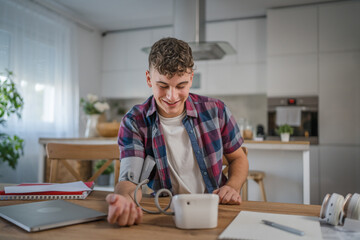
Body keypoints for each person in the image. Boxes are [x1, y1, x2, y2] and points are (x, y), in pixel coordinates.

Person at [106, 37, 249, 227]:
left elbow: (239, 158)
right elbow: (129, 181)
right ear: (149, 79)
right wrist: (124, 200)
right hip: (166, 214)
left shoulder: (216, 111)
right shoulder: (135, 121)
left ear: (191, 79)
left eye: (181, 86)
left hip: (214, 210)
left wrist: (231, 187)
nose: (171, 96)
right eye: (163, 86)